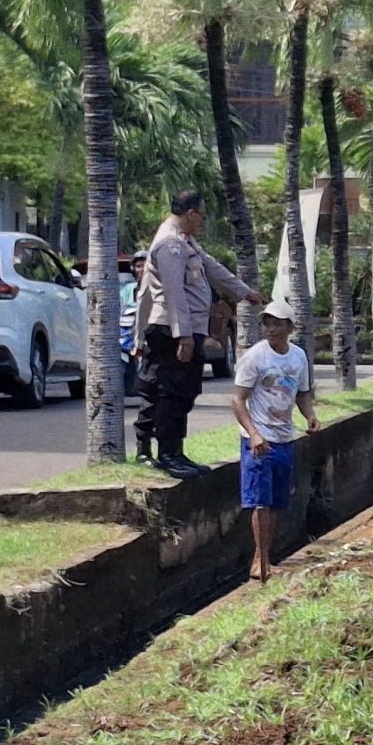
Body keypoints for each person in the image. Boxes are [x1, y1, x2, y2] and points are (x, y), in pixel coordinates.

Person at [134, 189, 263, 477]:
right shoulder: (170, 245)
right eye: (201, 216)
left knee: (183, 391)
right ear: (190, 214)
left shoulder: (185, 241)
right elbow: (174, 293)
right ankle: (167, 454)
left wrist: (245, 292)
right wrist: (184, 336)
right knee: (170, 392)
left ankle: (175, 452)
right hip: (171, 330)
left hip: (185, 329)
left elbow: (212, 268)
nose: (202, 222)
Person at [231, 298, 318, 581]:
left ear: (290, 328)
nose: (270, 329)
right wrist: (254, 434)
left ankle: (266, 557)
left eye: (277, 324)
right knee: (260, 501)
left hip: (283, 437)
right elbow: (238, 400)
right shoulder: (255, 357)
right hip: (259, 439)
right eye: (267, 324)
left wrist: (310, 416)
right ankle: (261, 561)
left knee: (277, 501)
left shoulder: (298, 357)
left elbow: (302, 393)